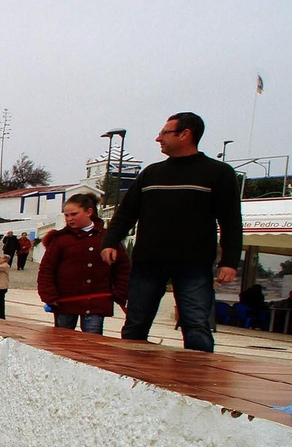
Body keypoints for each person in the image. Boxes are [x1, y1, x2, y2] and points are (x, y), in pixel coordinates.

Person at [101, 111, 241, 352]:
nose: (158, 138)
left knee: (196, 325)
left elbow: (230, 220)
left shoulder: (218, 173)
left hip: (194, 264)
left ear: (185, 134)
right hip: (148, 263)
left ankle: (199, 380)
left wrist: (229, 261)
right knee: (135, 324)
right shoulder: (151, 173)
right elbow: (126, 213)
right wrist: (110, 241)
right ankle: (129, 375)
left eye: (164, 133)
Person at [38, 193, 129, 335]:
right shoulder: (60, 240)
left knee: (92, 344)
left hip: (97, 302)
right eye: (66, 215)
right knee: (62, 343)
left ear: (89, 212)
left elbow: (123, 267)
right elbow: (46, 269)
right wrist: (49, 295)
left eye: (74, 214)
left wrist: (119, 292)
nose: (69, 219)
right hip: (65, 302)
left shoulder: (107, 238)